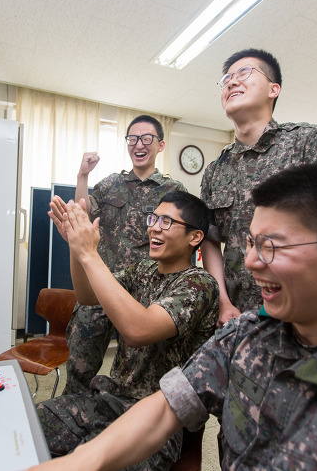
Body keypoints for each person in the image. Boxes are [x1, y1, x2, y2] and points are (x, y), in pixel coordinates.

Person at [29, 163, 317, 470]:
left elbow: (138, 331)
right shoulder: (247, 335)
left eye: (271, 246)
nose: (251, 263)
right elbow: (167, 405)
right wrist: (80, 462)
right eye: (251, 243)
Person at [39, 191, 218, 470]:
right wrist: (77, 249)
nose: (154, 228)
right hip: (110, 400)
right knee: (28, 426)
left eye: (167, 222)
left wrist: (90, 254)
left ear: (195, 237)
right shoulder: (142, 270)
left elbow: (138, 331)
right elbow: (87, 296)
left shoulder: (200, 285)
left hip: (155, 421)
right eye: (153, 219)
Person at [201, 48, 317, 327]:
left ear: (273, 89)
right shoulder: (215, 170)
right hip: (236, 318)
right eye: (227, 78)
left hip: (301, 314)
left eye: (244, 72)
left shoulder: (307, 145)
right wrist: (223, 303)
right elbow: (211, 241)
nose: (232, 82)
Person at [62, 115, 187, 395]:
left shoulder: (173, 191)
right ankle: (71, 413)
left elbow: (181, 239)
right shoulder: (110, 184)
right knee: (80, 366)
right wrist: (82, 176)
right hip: (101, 286)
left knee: (136, 378)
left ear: (160, 145)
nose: (138, 144)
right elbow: (83, 213)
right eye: (132, 138)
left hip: (143, 296)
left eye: (146, 138)